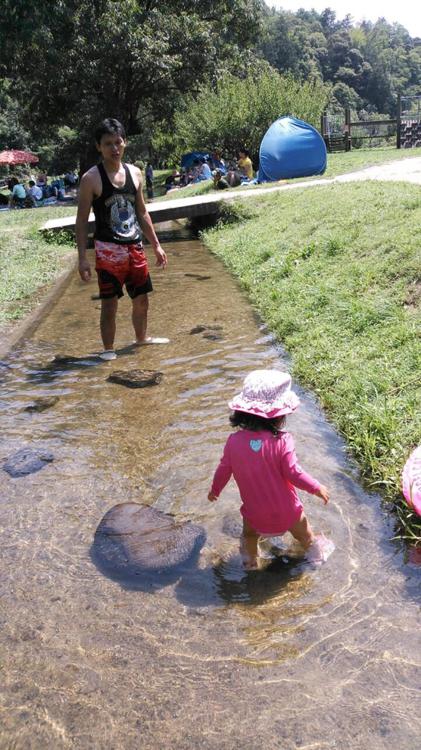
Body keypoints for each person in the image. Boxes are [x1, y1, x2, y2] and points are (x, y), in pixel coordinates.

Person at [208, 370, 330, 570]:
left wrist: (215, 491)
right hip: (289, 512)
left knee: (248, 536)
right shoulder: (283, 440)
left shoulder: (233, 442)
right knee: (306, 536)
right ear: (280, 415)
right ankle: (317, 558)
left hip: (254, 512)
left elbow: (223, 470)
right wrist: (316, 487)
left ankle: (250, 564)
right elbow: (294, 473)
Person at [76, 117, 169, 361]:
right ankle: (108, 351)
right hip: (107, 251)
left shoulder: (135, 173)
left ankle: (142, 340)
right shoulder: (91, 179)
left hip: (135, 247)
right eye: (108, 144)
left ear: (125, 142)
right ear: (99, 146)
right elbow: (82, 220)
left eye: (118, 142)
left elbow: (142, 212)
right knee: (109, 304)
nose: (114, 148)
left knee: (142, 299)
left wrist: (156, 245)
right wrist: (82, 258)